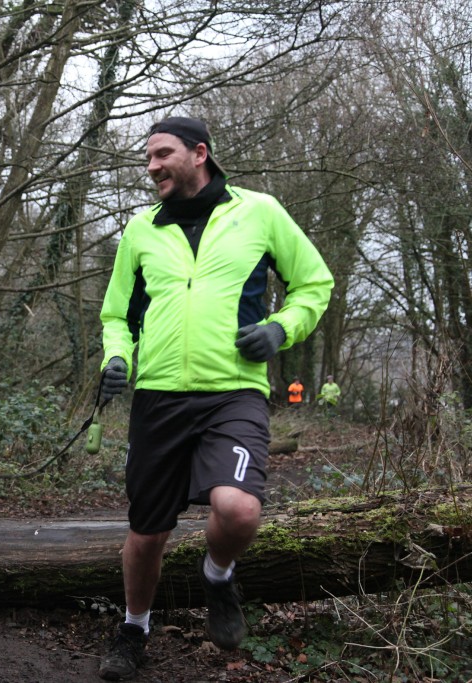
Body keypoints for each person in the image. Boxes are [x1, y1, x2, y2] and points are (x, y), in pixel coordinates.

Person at [95, 116, 334, 681]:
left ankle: (218, 574)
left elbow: (314, 283)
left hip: (234, 392)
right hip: (158, 397)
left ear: (199, 153)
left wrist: (280, 328)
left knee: (239, 508)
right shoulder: (142, 230)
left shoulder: (260, 212)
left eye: (162, 154)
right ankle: (134, 628)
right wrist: (116, 358)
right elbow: (116, 315)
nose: (151, 166)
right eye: (147, 157)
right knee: (147, 532)